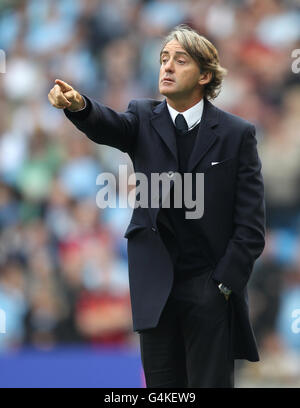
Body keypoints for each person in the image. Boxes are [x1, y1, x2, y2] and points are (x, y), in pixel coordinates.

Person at [48, 25, 266, 388]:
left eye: (180, 60)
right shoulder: (142, 117)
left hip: (210, 288)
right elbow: (110, 126)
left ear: (205, 74)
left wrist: (222, 286)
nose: (167, 67)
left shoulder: (236, 134)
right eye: (164, 59)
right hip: (157, 291)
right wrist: (80, 106)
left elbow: (251, 228)